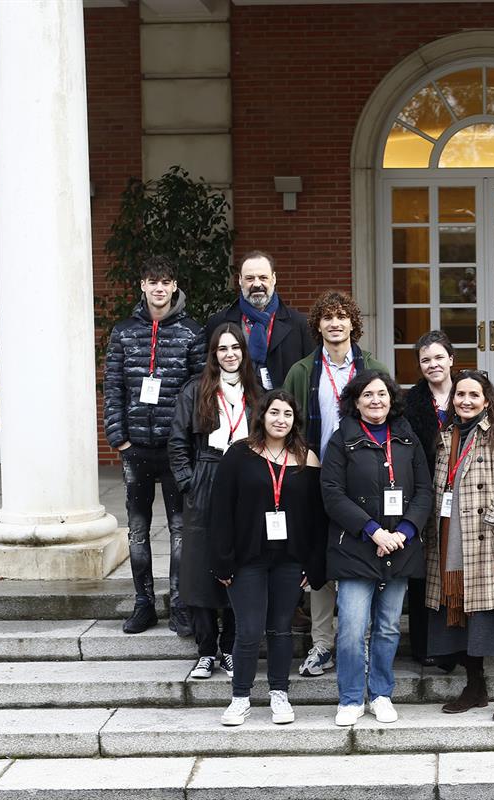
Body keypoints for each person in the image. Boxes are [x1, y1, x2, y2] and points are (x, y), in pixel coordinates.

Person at [283, 290, 389, 678]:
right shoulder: (302, 371)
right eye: (327, 317)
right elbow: (286, 422)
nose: (335, 323)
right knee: (320, 558)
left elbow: (387, 418)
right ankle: (323, 643)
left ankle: (358, 641)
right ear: (318, 325)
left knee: (360, 557)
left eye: (342, 316)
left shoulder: (373, 368)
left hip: (362, 479)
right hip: (315, 474)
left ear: (353, 323)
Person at [207, 390, 326, 726]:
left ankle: (279, 693)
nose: (280, 420)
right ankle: (240, 697)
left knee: (280, 629)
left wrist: (314, 564)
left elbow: (317, 518)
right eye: (274, 412)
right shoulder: (238, 455)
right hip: (247, 559)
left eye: (287, 414)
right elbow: (220, 511)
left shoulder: (307, 459)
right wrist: (222, 560)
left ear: (295, 421)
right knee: (248, 630)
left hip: (290, 559)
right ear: (262, 415)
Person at [323, 371, 434, 725]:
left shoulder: (407, 437)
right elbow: (332, 494)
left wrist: (404, 530)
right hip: (356, 546)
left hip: (400, 546)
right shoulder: (342, 439)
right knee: (354, 627)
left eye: (382, 394)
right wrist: (372, 531)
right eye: (368, 395)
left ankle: (382, 693)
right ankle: (351, 698)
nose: (376, 400)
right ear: (355, 401)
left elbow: (424, 491)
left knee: (387, 627)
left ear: (392, 398)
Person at [104, 255, 206, 635]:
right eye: (152, 281)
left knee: (180, 530)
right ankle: (143, 602)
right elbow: (112, 385)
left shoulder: (192, 333)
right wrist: (120, 437)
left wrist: (189, 440)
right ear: (142, 286)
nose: (159, 288)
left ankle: (179, 604)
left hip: (175, 448)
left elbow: (200, 390)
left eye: (165, 281)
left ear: (174, 286)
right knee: (137, 530)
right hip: (137, 450)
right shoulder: (124, 331)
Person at [425, 370, 494, 721]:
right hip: (449, 536)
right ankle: (475, 686)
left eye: (473, 395)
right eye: (460, 395)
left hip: (484, 540)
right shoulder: (443, 437)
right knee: (459, 613)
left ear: (487, 401)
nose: (465, 401)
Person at [168, 323, 261, 680]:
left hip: (246, 475)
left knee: (241, 560)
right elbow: (177, 442)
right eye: (222, 349)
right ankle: (206, 650)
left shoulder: (257, 392)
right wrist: (189, 482)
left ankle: (230, 646)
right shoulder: (196, 390)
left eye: (235, 347)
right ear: (213, 354)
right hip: (206, 473)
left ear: (243, 351)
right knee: (200, 564)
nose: (229, 354)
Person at [402, 330, 455, 668]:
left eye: (438, 357)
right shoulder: (409, 404)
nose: (433, 364)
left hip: (466, 495)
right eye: (425, 360)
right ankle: (425, 646)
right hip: (425, 495)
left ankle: (457, 647)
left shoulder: (472, 392)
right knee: (424, 573)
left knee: (457, 569)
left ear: (451, 359)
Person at [204, 250, 314, 390]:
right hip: (235, 407)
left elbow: (309, 377)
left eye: (263, 277)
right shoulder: (217, 324)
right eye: (250, 278)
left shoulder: (300, 325)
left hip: (283, 408)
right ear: (240, 280)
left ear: (274, 279)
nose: (257, 284)